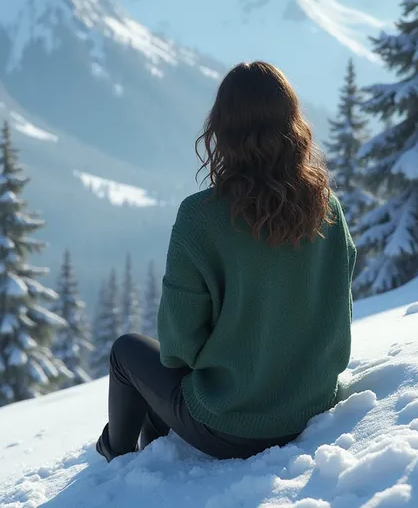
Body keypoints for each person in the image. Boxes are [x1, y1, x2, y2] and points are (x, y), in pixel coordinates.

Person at [96, 61, 356, 462]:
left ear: (221, 130)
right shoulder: (328, 209)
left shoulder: (201, 217)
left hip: (230, 428)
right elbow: (336, 316)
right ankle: (150, 443)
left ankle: (113, 455)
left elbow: (178, 348)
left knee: (126, 351)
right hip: (311, 409)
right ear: (294, 125)